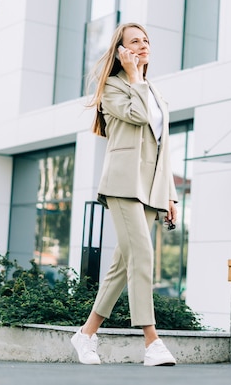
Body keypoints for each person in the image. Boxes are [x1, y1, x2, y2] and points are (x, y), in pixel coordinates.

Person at [70, 23, 179, 367]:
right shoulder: (114, 89)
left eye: (146, 40)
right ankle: (152, 341)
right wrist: (133, 76)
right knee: (142, 256)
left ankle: (85, 334)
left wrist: (170, 196)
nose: (143, 45)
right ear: (122, 51)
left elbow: (164, 148)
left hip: (150, 188)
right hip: (122, 185)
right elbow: (138, 115)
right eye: (135, 41)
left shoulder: (153, 90)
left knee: (120, 267)